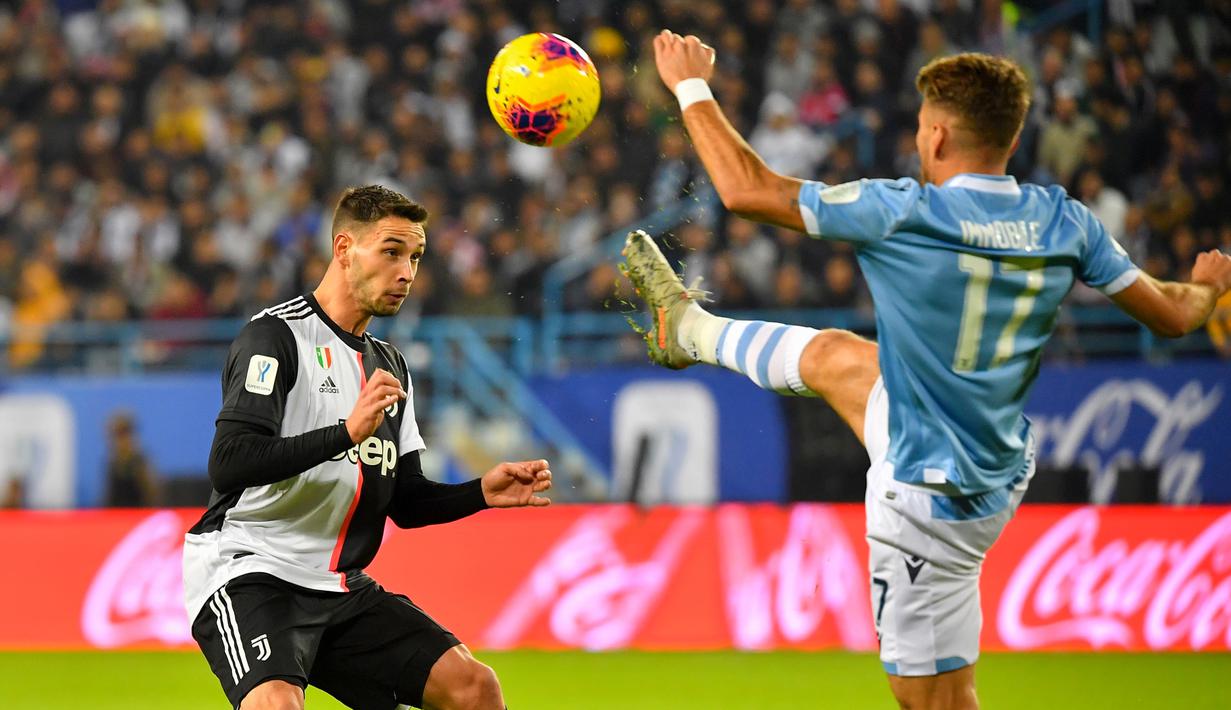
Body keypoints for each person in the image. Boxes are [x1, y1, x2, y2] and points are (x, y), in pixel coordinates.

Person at [622, 32, 1231, 710]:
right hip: (993, 463)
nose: (916, 139)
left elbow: (744, 189)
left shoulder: (905, 211)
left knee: (929, 702)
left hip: (924, 494)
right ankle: (689, 330)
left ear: (937, 135)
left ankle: (691, 332)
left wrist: (690, 86)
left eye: (919, 127)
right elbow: (1173, 316)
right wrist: (1205, 287)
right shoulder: (1067, 222)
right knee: (834, 357)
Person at [183, 185, 553, 710]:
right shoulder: (275, 338)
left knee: (475, 687)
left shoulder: (390, 365)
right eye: (391, 252)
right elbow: (230, 462)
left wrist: (480, 493)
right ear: (343, 249)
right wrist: (344, 433)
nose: (407, 272)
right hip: (251, 570)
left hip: (339, 586)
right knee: (276, 705)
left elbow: (405, 502)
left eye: (416, 257)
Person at [104, 410, 159, 507]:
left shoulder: (140, 462)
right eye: (115, 436)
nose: (119, 441)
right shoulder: (111, 463)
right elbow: (108, 498)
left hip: (138, 516)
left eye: (123, 434)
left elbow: (151, 496)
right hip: (115, 518)